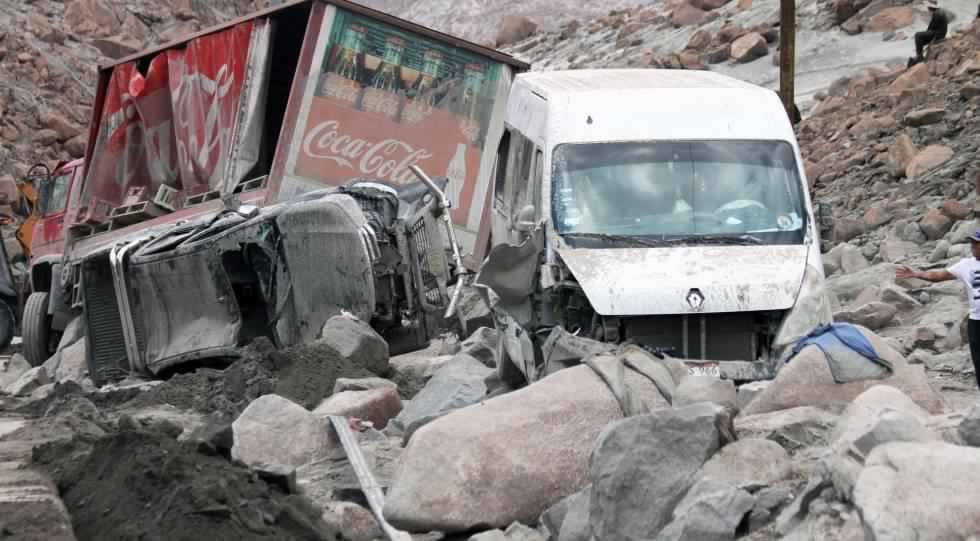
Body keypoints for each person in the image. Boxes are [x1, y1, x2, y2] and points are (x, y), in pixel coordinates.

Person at [896, 230, 980, 388]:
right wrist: (916, 274)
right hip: (976, 323)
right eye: (972, 243)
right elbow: (938, 276)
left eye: (976, 243)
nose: (973, 246)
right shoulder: (965, 265)